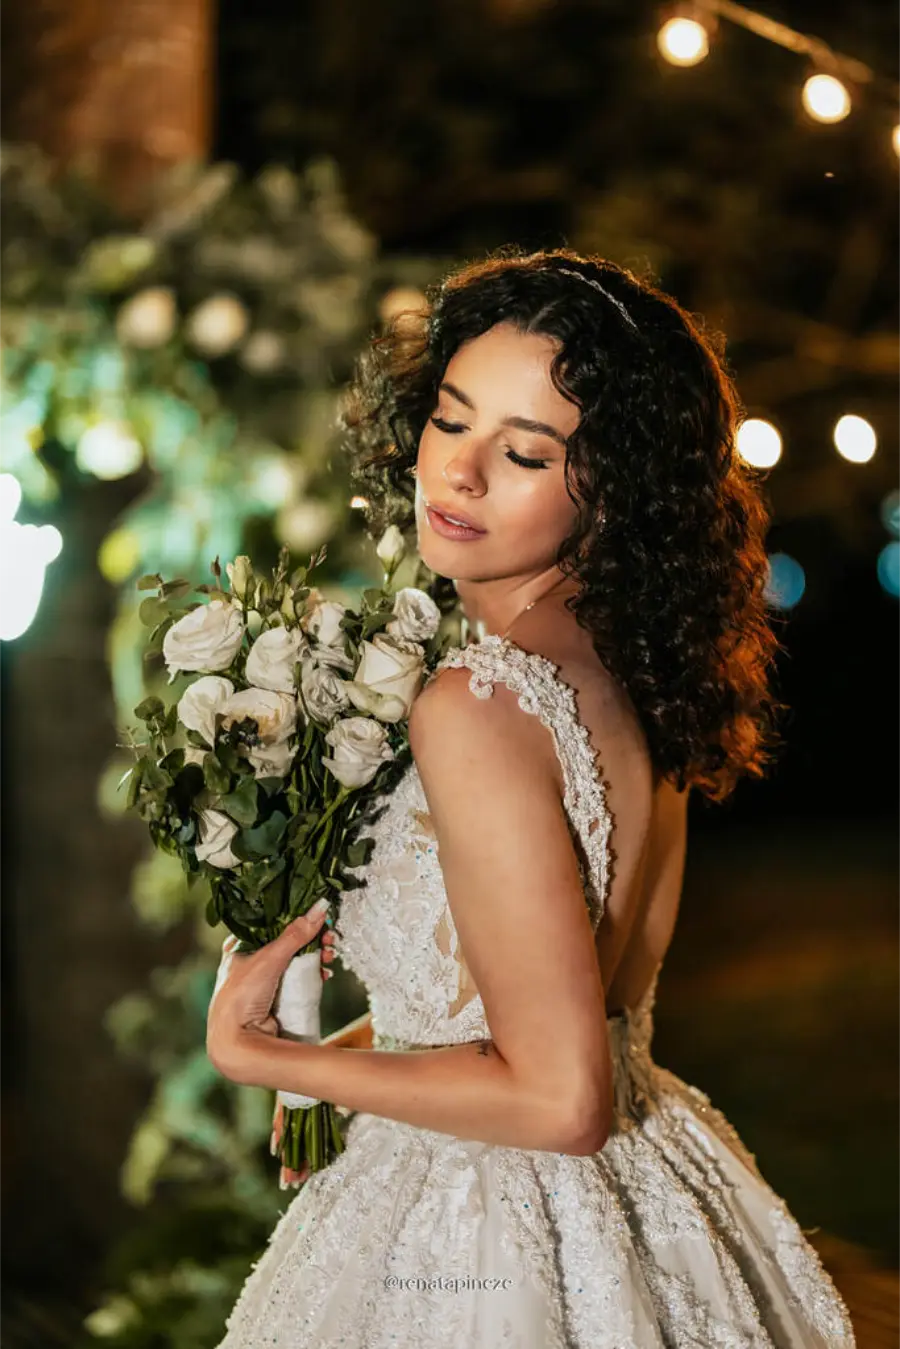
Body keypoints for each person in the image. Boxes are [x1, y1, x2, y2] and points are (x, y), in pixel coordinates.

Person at [207, 247, 856, 1346]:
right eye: (450, 419)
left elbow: (561, 1095)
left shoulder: (476, 702)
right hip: (651, 1188)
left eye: (523, 452)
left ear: (613, 487)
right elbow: (569, 1000)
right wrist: (360, 1054)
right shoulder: (638, 663)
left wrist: (263, 1051)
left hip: (476, 1241)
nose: (455, 474)